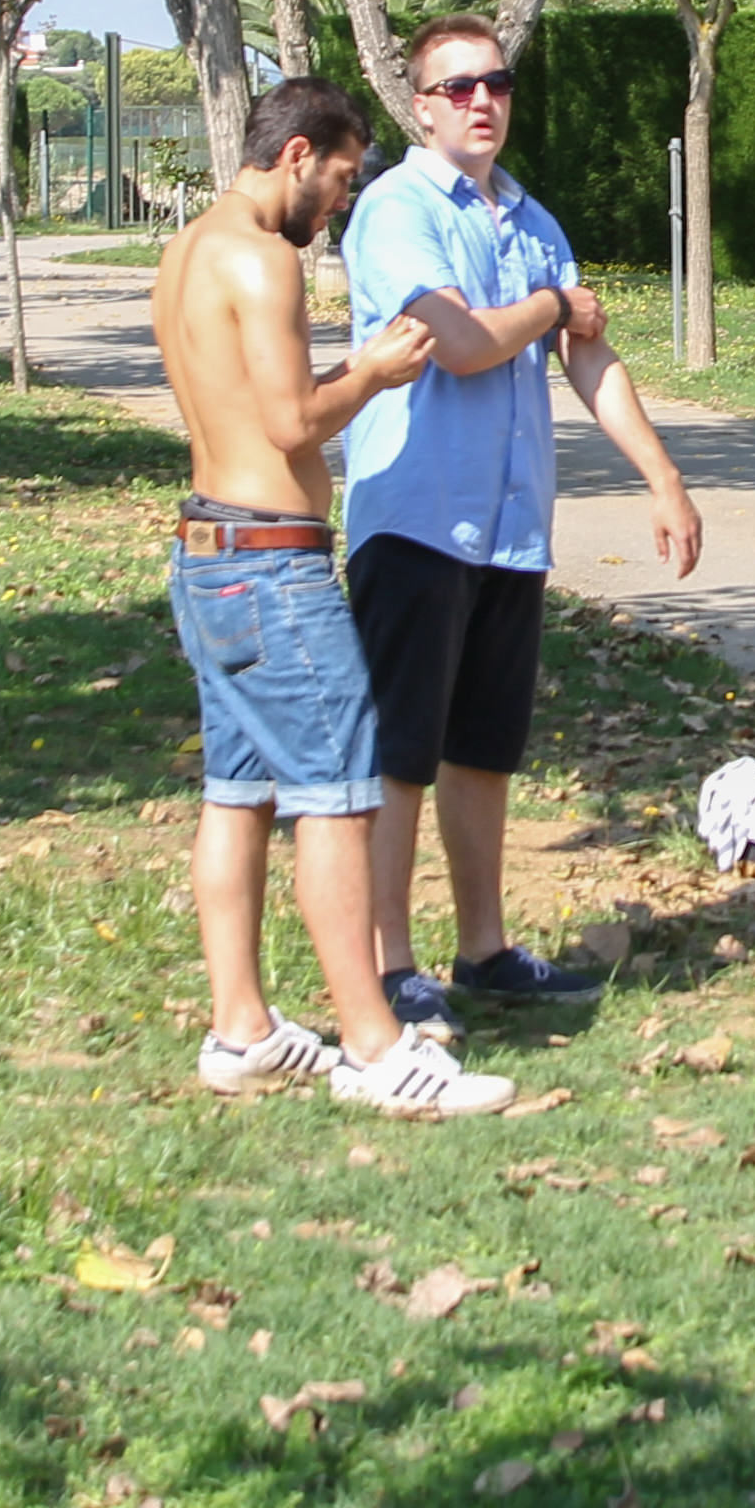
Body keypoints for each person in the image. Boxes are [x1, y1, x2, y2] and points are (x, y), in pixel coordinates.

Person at [149, 74, 514, 1118]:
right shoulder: (263, 258)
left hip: (208, 551)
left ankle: (242, 1029)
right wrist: (375, 370)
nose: (343, 201)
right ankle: (372, 1045)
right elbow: (290, 421)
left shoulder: (185, 250)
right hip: (272, 564)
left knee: (239, 791)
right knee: (339, 793)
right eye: (344, 178)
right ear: (298, 154)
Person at [341, 14, 704, 1042]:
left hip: (509, 527)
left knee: (483, 748)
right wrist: (551, 306)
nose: (480, 102)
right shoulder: (396, 208)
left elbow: (589, 355)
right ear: (419, 107)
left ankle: (485, 951)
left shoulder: (533, 220)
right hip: (415, 518)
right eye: (456, 88)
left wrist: (664, 477)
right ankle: (390, 967)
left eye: (495, 83)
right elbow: (458, 343)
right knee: (401, 752)